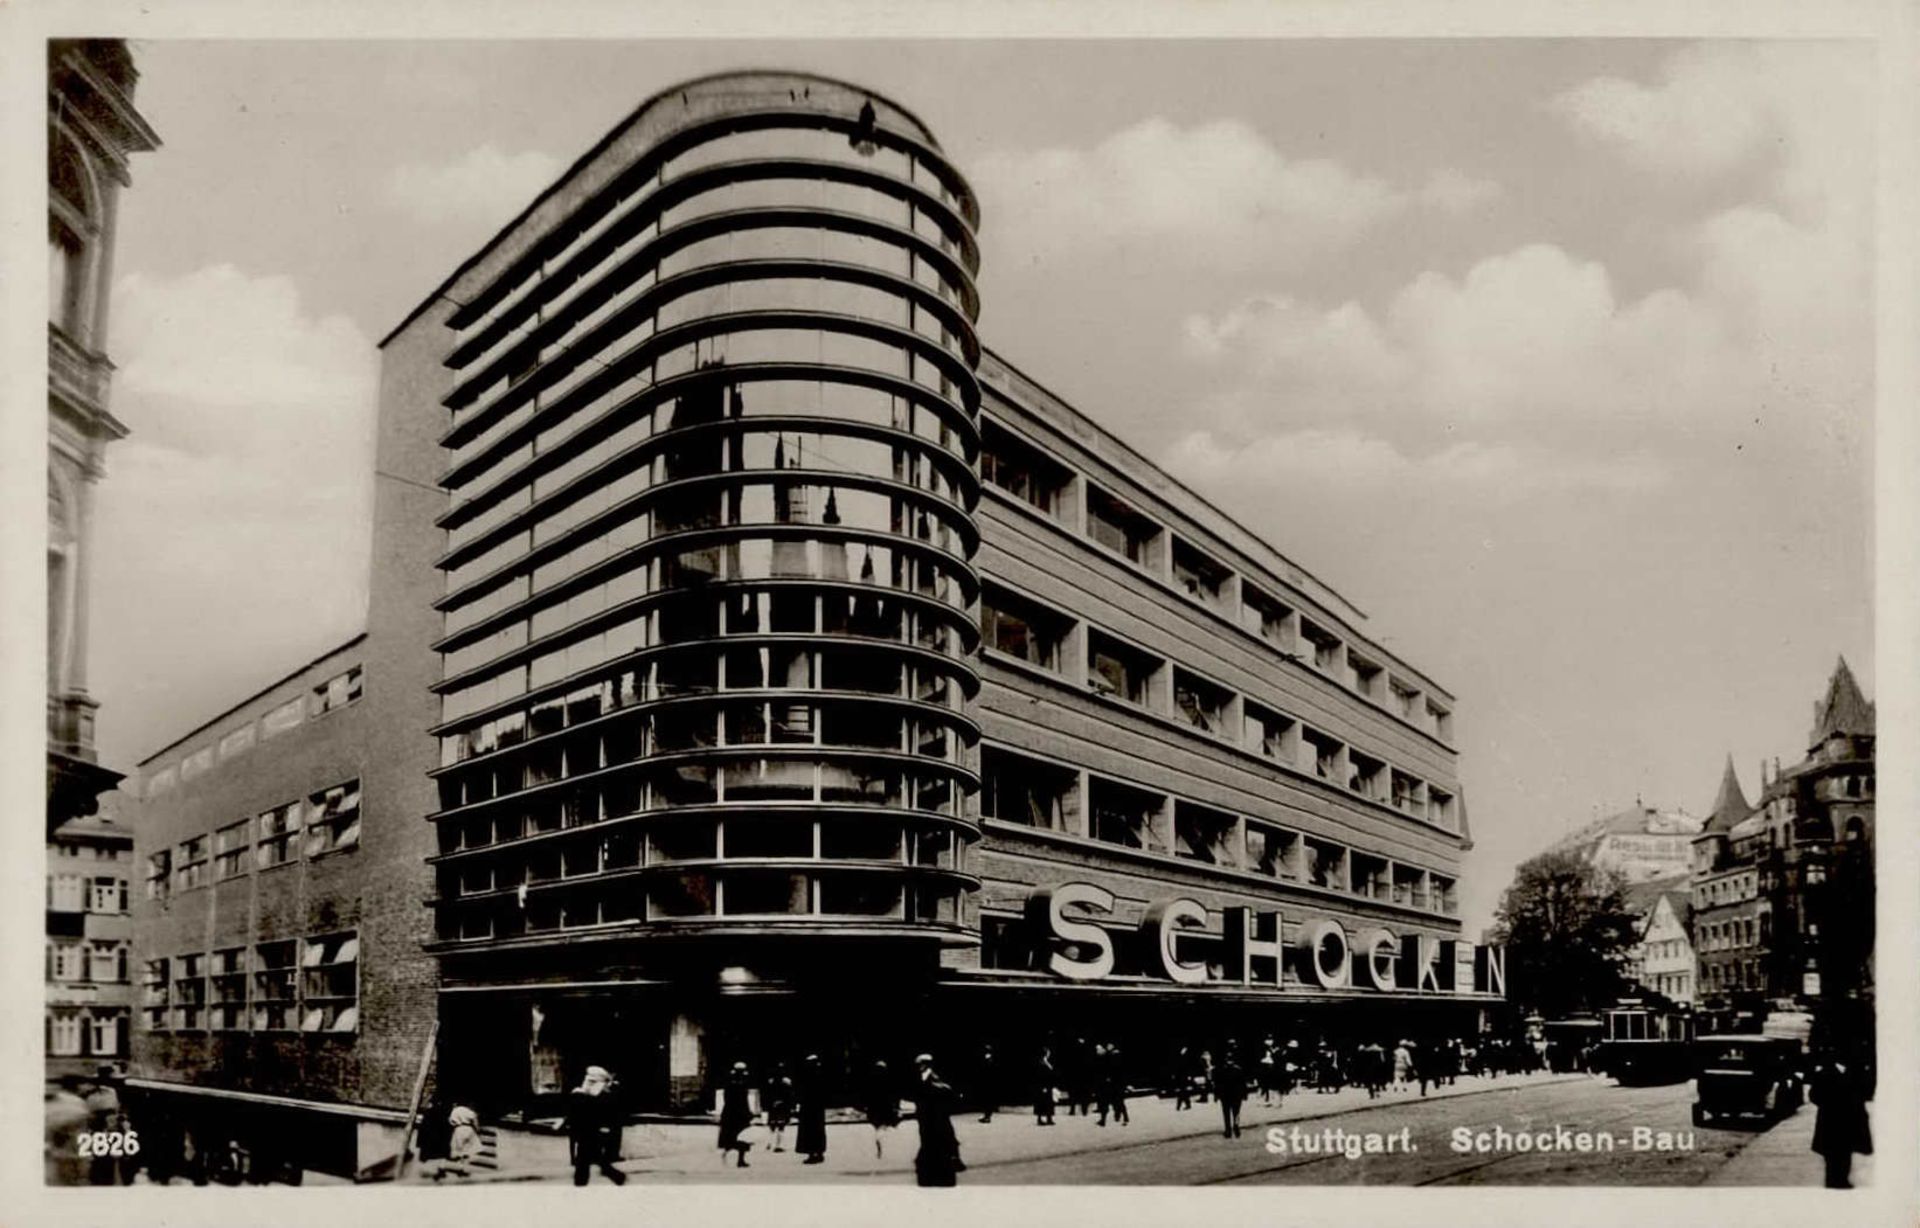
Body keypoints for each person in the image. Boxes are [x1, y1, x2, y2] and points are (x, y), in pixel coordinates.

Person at [1810, 1048, 1873, 1189]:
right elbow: (1814, 1095)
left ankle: (1842, 1180)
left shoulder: (1855, 1074)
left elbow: (1865, 1092)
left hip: (1847, 1121)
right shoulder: (1824, 1074)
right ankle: (1833, 1181)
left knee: (1845, 1152)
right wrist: (1830, 1103)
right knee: (1832, 1155)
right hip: (1831, 1121)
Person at [565, 1066, 627, 1186]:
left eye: (591, 1081)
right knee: (593, 1159)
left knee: (584, 1161)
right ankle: (614, 1175)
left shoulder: (599, 1096)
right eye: (587, 1080)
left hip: (591, 1132)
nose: (587, 1083)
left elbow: (603, 1114)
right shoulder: (585, 1095)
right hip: (587, 1132)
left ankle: (583, 1184)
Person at [909, 1054, 962, 1187]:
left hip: (937, 1115)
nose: (918, 1067)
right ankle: (931, 1168)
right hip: (925, 1116)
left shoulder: (935, 1077)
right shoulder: (921, 1077)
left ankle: (940, 1168)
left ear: (927, 1064)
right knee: (928, 1139)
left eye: (920, 1064)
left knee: (939, 1140)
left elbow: (948, 1090)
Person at [718, 1062, 755, 1169]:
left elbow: (726, 1099)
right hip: (740, 1114)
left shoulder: (729, 1082)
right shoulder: (742, 1084)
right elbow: (744, 1101)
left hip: (730, 1114)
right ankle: (740, 1160)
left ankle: (730, 1154)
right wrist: (748, 1113)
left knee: (732, 1136)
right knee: (743, 1138)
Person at [794, 1054, 828, 1165]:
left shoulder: (807, 1076)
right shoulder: (821, 1074)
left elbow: (802, 1091)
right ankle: (819, 1152)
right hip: (818, 1108)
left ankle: (812, 1153)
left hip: (808, 1107)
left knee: (809, 1131)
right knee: (818, 1130)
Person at [866, 1060, 901, 1157]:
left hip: (877, 1110)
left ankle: (881, 1142)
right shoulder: (889, 1081)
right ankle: (883, 1143)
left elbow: (868, 1097)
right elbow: (895, 1096)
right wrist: (897, 1108)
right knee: (884, 1128)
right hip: (885, 1109)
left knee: (879, 1128)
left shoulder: (872, 1081)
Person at [1212, 1042, 1247, 1139]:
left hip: (1226, 1095)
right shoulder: (1237, 1070)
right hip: (1235, 1095)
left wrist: (1217, 1095)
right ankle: (1235, 1127)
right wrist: (1244, 1095)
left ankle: (1229, 1130)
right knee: (1236, 1113)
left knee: (1227, 1113)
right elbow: (1242, 1084)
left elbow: (1217, 1084)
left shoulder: (1221, 1070)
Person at [438, 1105, 482, 1180]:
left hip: (458, 1129)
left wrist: (455, 1125)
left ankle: (442, 1167)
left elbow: (450, 1121)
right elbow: (475, 1122)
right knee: (466, 1151)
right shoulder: (470, 1111)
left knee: (454, 1149)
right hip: (468, 1129)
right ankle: (461, 1169)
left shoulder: (455, 1110)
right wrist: (477, 1130)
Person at [764, 1064, 794, 1153]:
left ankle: (770, 1143)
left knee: (772, 1125)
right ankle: (778, 1145)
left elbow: (767, 1095)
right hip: (782, 1105)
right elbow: (789, 1095)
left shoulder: (771, 1082)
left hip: (773, 1106)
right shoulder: (786, 1082)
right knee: (781, 1125)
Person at [1034, 1046, 1057, 1125]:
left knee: (1049, 1103)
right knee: (1042, 1103)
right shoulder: (1041, 1063)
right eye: (1048, 1053)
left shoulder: (1047, 1062)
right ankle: (1040, 1119)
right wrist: (1043, 1086)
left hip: (1048, 1085)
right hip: (1043, 1086)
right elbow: (1040, 1076)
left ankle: (1049, 1118)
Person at [975, 1043, 997, 1123]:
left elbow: (988, 1070)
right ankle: (986, 1115)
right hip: (987, 1082)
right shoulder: (988, 1058)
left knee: (988, 1100)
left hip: (988, 1082)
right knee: (986, 1100)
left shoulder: (989, 1059)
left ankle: (987, 1116)